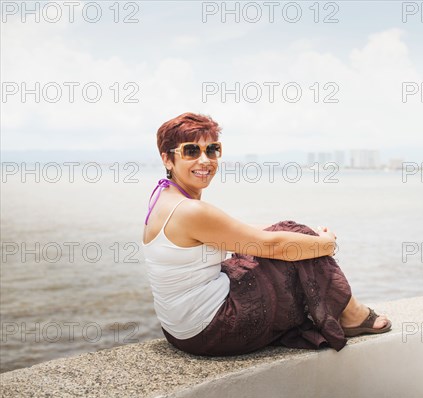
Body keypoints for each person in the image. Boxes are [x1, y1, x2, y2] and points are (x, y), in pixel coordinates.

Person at [142, 112, 392, 357]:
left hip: (180, 330)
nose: (205, 160)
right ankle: (353, 314)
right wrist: (326, 244)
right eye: (191, 151)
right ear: (167, 159)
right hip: (213, 331)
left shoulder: (164, 197)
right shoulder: (191, 211)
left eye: (212, 149)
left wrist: (296, 232)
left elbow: (237, 230)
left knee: (294, 234)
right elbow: (273, 246)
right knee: (296, 246)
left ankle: (348, 311)